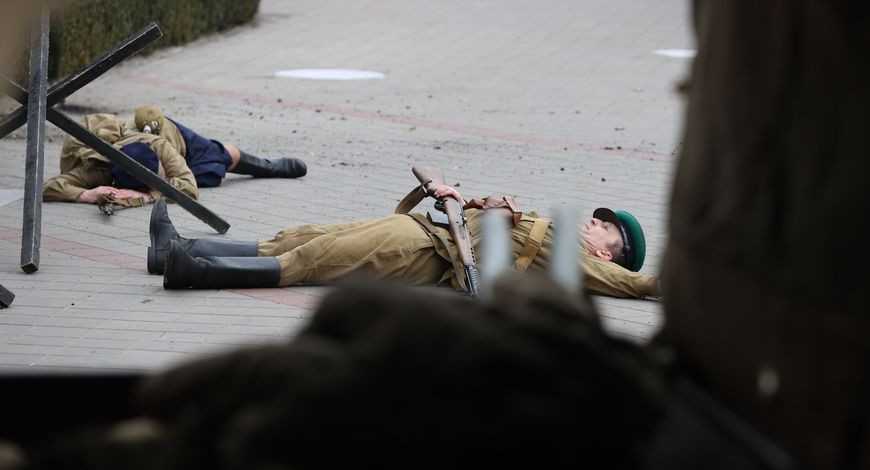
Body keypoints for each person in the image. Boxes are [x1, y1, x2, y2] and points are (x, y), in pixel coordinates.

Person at [149, 183, 660, 299]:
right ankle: (181, 248)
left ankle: (196, 274)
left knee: (315, 259)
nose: (595, 223)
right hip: (427, 231)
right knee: (303, 236)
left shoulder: (581, 260)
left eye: (606, 230)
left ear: (603, 252)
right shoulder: (553, 229)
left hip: (426, 255)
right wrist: (459, 196)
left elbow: (640, 286)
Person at [43, 105, 307, 208]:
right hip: (147, 159)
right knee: (214, 177)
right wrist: (84, 194)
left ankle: (267, 167)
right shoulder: (99, 170)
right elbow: (46, 188)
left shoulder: (160, 146)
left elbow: (187, 187)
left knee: (222, 157)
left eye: (158, 176)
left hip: (178, 140)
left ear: (158, 164)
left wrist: (150, 196)